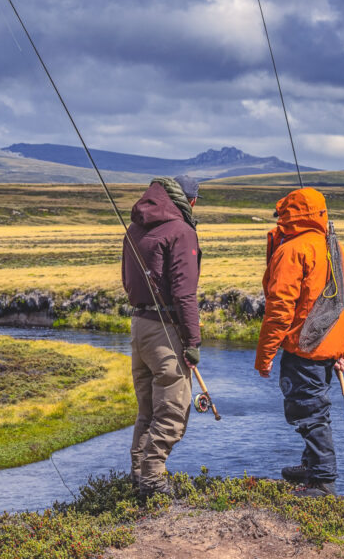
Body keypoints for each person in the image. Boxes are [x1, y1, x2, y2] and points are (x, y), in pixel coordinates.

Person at [254, 187, 344, 498]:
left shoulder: (292, 251)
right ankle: (311, 465)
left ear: (289, 216)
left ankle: (323, 481)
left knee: (310, 412)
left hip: (304, 349)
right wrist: (343, 348)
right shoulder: (338, 249)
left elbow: (279, 309)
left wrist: (265, 354)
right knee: (314, 409)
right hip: (328, 348)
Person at [122, 174, 202, 497]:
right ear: (190, 200)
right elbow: (185, 294)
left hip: (138, 326)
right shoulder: (182, 232)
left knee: (147, 411)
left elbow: (129, 283)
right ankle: (153, 479)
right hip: (164, 331)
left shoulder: (134, 228)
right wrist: (192, 342)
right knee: (172, 408)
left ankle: (138, 476)